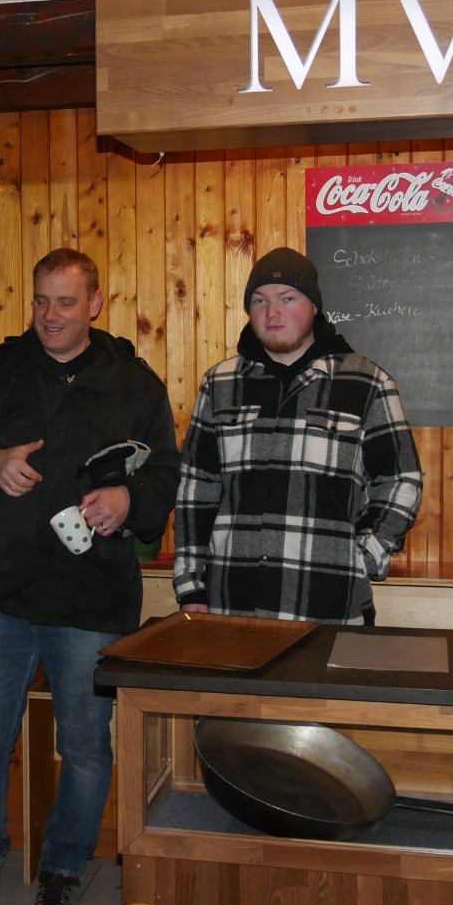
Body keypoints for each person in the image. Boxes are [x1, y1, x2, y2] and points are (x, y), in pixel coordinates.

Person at [0, 248, 180, 905]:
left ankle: (62, 872)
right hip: (0, 591)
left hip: (91, 598)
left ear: (96, 305)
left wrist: (127, 498)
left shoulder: (133, 383)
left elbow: (168, 473)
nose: (50, 315)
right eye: (42, 301)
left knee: (84, 748)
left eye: (66, 302)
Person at [173, 246, 423, 625]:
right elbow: (197, 489)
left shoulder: (367, 383)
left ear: (314, 306)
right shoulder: (220, 384)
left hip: (331, 606)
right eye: (260, 300)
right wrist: (191, 583)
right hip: (233, 605)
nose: (272, 313)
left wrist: (365, 554)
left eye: (287, 298)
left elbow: (401, 479)